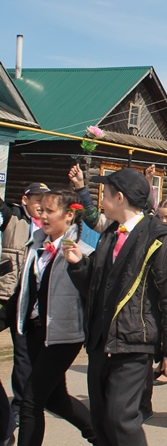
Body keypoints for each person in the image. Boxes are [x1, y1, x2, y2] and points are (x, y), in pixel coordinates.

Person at [65, 167, 167, 446]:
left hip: (134, 342)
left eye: (104, 195)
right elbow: (95, 289)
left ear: (119, 198)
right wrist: (79, 265)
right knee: (101, 418)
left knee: (121, 417)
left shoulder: (159, 236)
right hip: (101, 341)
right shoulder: (110, 232)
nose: (101, 201)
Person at [16, 189, 95, 446]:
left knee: (31, 400)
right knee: (55, 399)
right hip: (38, 331)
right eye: (41, 210)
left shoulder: (81, 250)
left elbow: (89, 292)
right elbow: (27, 291)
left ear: (69, 215)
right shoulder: (37, 243)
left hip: (64, 333)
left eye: (51, 211)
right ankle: (101, 436)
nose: (44, 216)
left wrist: (76, 264)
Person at [0, 182, 49, 431]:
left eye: (45, 199)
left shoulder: (51, 228)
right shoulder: (14, 219)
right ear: (25, 201)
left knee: (23, 356)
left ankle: (19, 406)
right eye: (36, 199)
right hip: (6, 297)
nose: (41, 205)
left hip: (29, 303)